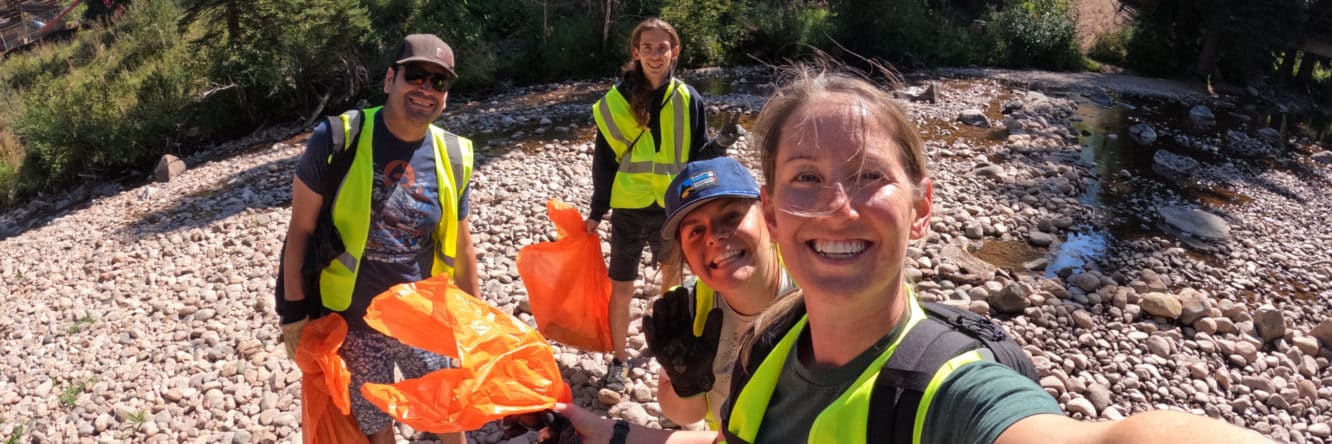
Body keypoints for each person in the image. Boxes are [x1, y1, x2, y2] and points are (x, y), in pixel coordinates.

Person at [534, 69, 1269, 443]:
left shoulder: (947, 392)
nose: (837, 205)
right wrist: (614, 432)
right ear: (780, 212)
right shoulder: (769, 345)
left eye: (869, 177)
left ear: (921, 209)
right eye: (806, 179)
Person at [279, 34, 476, 444]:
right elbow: (300, 230)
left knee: (446, 411)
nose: (426, 88)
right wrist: (293, 314)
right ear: (390, 79)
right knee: (373, 420)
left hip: (423, 320)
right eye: (415, 75)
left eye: (438, 82)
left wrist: (475, 321)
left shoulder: (454, 155)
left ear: (446, 95)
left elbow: (461, 243)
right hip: (352, 324)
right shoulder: (338, 138)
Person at [585, 18, 730, 393]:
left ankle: (671, 346)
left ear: (674, 52)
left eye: (662, 48)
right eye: (647, 48)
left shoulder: (688, 98)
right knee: (622, 289)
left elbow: (696, 157)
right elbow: (604, 162)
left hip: (672, 209)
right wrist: (597, 211)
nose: (654, 54)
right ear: (636, 52)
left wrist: (721, 144)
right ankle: (619, 362)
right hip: (629, 210)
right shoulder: (614, 103)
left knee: (672, 283)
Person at [644, 157, 796, 430]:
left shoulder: (813, 284)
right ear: (688, 260)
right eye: (696, 231)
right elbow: (686, 415)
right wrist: (686, 383)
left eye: (731, 216)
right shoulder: (687, 311)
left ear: (769, 218)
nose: (714, 236)